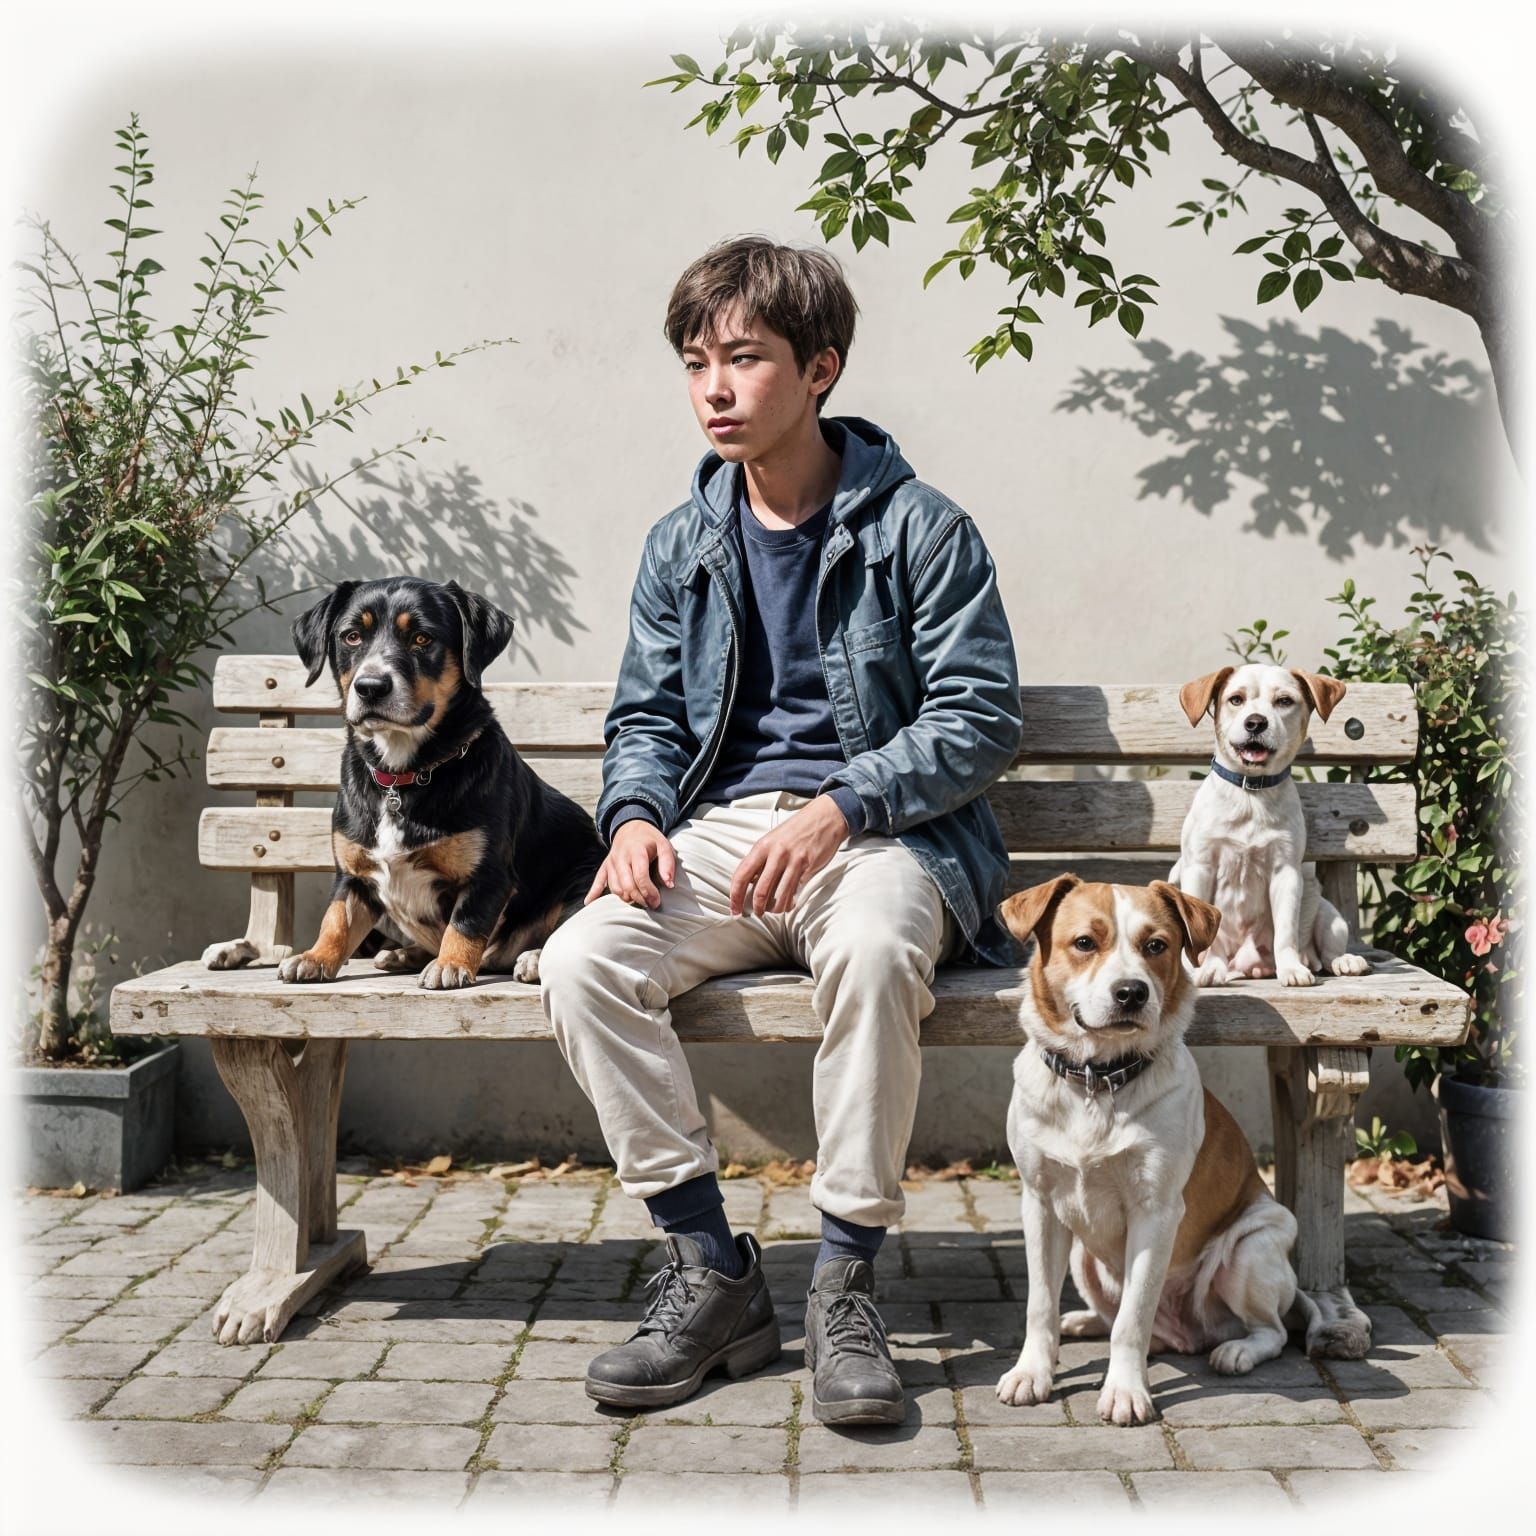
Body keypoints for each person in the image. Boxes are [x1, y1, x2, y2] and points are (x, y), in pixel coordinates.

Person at [538, 234, 1023, 1425]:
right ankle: (711, 1270)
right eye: (698, 361)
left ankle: (845, 1280)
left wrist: (845, 802)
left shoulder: (921, 530)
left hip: (881, 836)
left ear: (821, 368)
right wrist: (637, 817)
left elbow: (981, 716)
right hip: (721, 843)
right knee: (581, 958)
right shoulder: (681, 545)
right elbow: (647, 717)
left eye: (745, 358)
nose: (715, 387)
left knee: (869, 949)